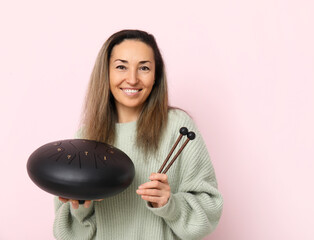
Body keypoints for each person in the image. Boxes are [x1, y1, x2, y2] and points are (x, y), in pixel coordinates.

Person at [53, 29, 223, 240]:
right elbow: (68, 234)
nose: (132, 79)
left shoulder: (178, 128)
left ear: (156, 76)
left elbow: (209, 210)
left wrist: (169, 204)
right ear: (105, 73)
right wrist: (81, 208)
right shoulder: (85, 138)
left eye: (143, 68)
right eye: (121, 67)